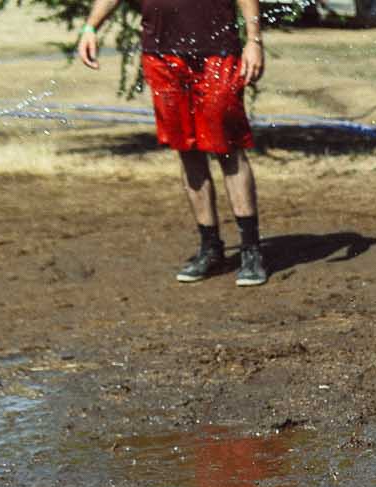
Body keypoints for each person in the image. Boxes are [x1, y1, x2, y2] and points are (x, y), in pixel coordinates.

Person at [78, 0, 268, 287]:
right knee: (187, 151)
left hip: (217, 53)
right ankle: (210, 246)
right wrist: (90, 27)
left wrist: (254, 41)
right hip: (161, 55)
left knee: (228, 149)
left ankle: (251, 250)